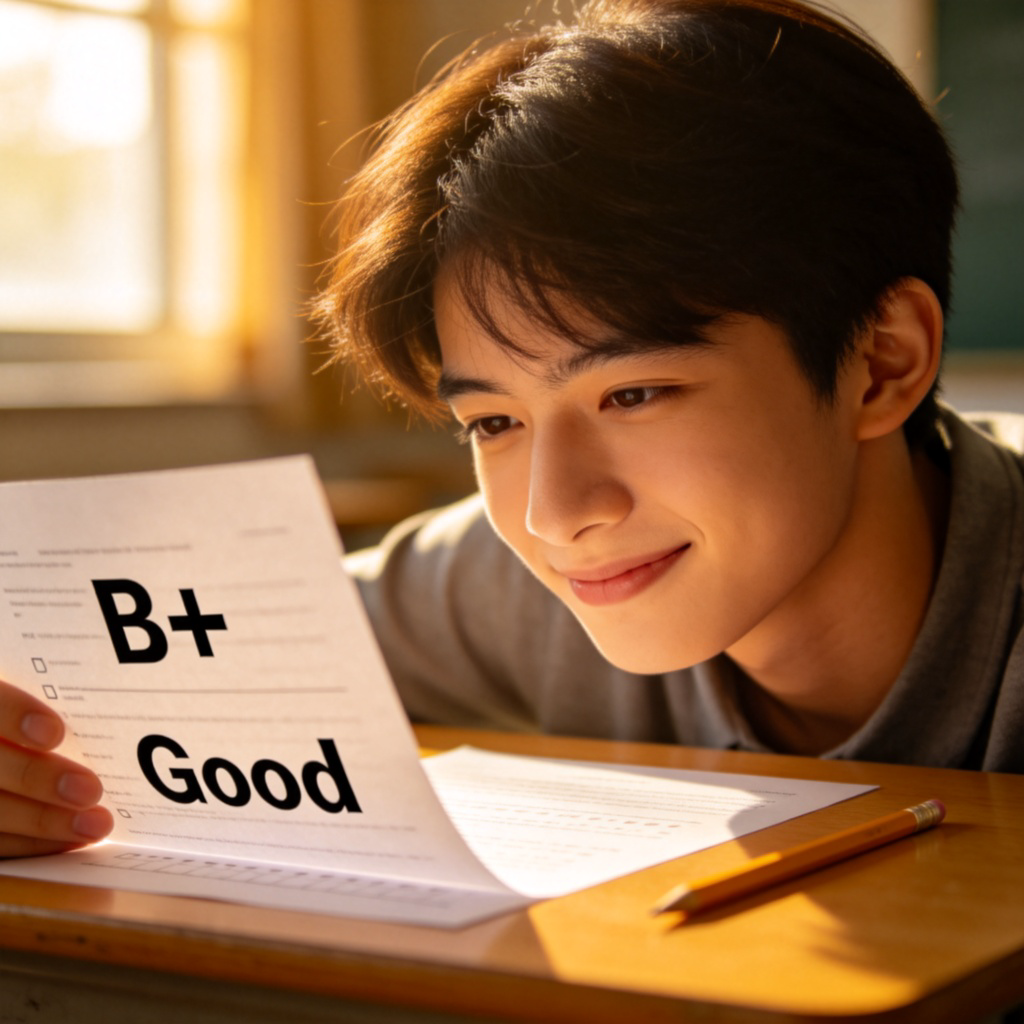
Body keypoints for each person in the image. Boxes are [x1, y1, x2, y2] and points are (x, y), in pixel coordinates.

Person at [1, 0, 1022, 860]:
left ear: (881, 361)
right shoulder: (521, 582)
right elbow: (108, 655)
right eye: (494, 419)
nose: (553, 514)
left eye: (631, 394)